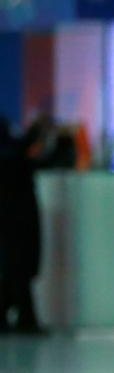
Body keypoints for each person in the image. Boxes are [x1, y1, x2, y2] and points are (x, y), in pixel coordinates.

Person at [0, 118, 44, 333]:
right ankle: (23, 316)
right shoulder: (13, 156)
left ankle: (20, 315)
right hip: (14, 218)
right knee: (16, 267)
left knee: (15, 268)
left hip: (16, 218)